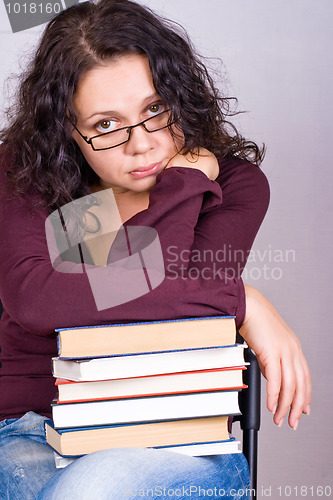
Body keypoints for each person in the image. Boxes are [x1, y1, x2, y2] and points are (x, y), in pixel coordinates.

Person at [0, 0, 311, 498]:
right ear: (66, 129)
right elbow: (36, 299)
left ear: (180, 96)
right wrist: (242, 300)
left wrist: (184, 184)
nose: (141, 145)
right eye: (106, 125)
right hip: (31, 427)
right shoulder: (28, 172)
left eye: (154, 110)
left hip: (175, 437)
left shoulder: (233, 186)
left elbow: (163, 318)